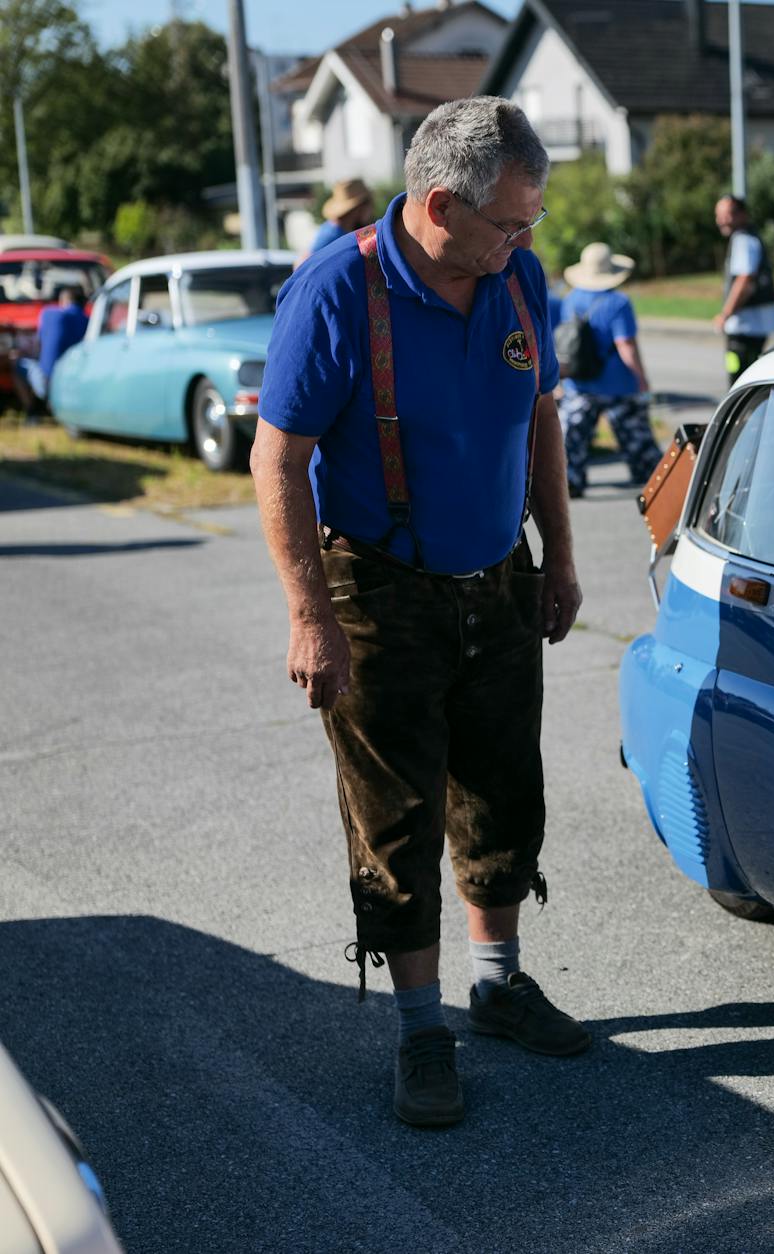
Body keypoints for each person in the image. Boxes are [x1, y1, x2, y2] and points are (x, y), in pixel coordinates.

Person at [251, 96, 587, 1130]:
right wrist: (310, 619)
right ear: (441, 205)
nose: (527, 242)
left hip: (498, 574)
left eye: (530, 224)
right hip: (378, 587)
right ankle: (419, 1031)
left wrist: (558, 558)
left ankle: (496, 983)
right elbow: (279, 459)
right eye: (512, 223)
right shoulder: (336, 291)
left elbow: (539, 425)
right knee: (396, 818)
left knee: (501, 788)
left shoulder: (515, 278)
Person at [556, 242, 661, 496]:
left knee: (572, 439)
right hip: (618, 383)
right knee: (636, 437)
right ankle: (652, 479)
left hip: (579, 381)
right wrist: (642, 379)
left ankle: (570, 480)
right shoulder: (619, 302)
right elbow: (625, 345)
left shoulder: (570, 300)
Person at [712, 195, 774, 385]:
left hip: (746, 326)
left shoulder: (743, 239)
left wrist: (725, 314)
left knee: (739, 381)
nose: (722, 220)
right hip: (753, 325)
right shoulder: (748, 237)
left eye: (729, 214)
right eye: (719, 215)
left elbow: (744, 279)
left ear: (743, 215)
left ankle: (743, 415)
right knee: (747, 378)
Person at [13, 285, 88, 418]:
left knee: (17, 363)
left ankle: (32, 412)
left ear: (64, 300)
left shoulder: (49, 314)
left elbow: (39, 346)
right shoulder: (92, 320)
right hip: (80, 384)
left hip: (49, 384)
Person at [302, 178, 377, 263]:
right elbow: (304, 263)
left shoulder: (345, 230)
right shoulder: (331, 234)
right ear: (359, 208)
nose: (371, 210)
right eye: (369, 205)